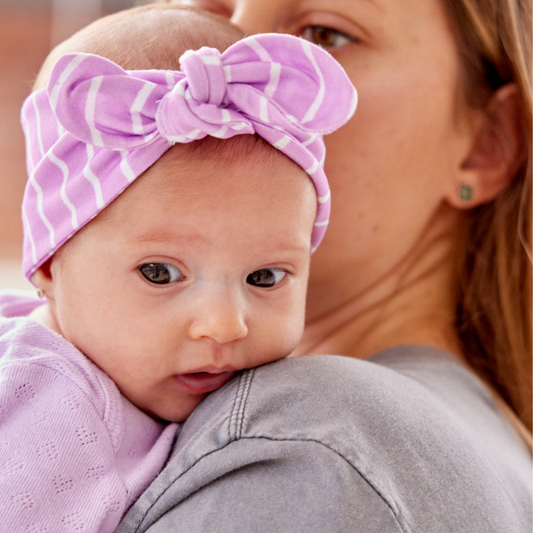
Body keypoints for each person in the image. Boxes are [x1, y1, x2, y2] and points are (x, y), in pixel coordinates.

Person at [118, 0, 532, 532]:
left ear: (488, 145)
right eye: (211, 16)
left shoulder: (317, 447)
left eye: (322, 35)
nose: (218, 67)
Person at [0, 5, 357, 532]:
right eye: (161, 274)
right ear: (51, 264)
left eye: (264, 277)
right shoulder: (53, 414)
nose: (223, 324)